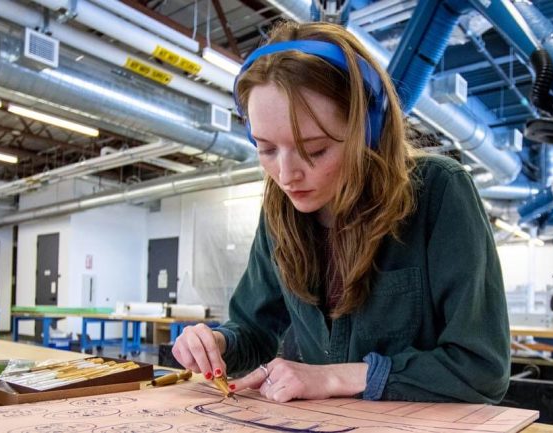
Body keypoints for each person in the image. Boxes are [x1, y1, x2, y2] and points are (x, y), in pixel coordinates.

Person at [172, 21, 509, 404]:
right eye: (267, 149)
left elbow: (483, 370)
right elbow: (253, 331)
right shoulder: (280, 211)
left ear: (369, 130)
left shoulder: (439, 191)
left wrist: (333, 377)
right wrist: (218, 343)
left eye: (314, 150)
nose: (286, 175)